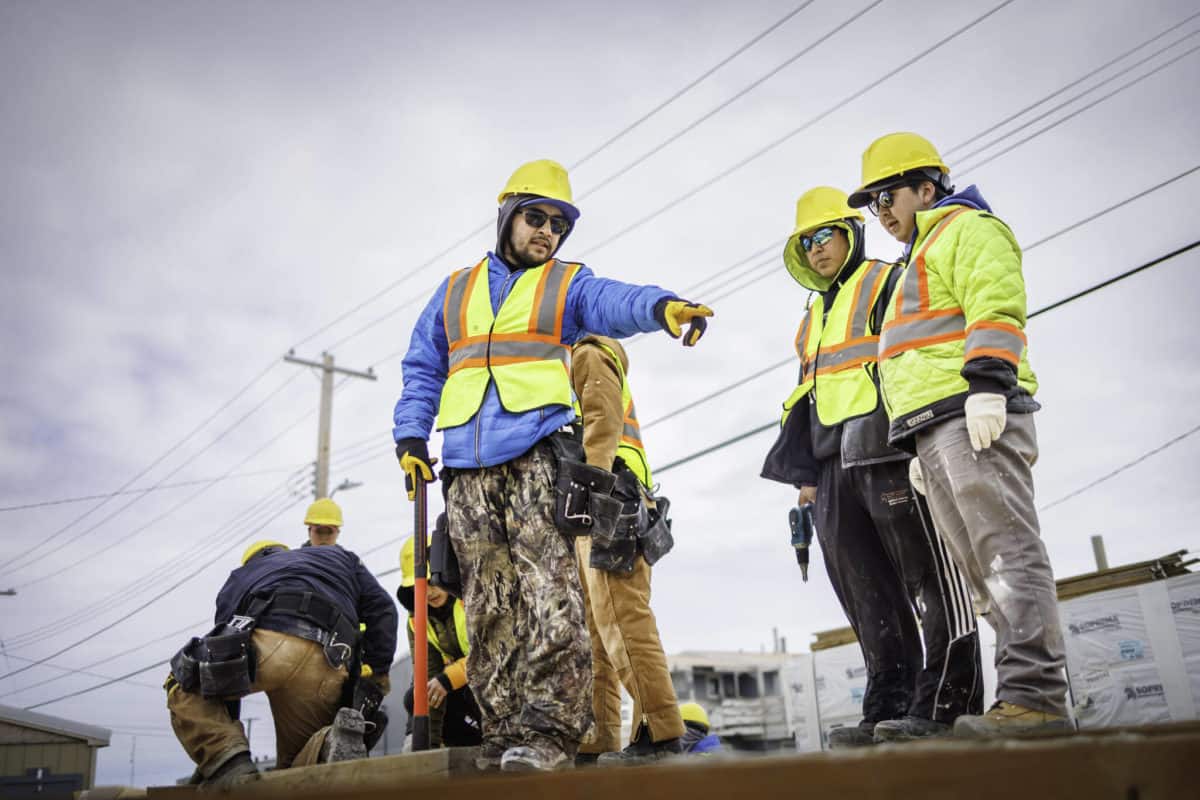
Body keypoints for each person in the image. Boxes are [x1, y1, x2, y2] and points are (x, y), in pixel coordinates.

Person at [391, 158, 713, 771]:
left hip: (537, 455)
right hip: (465, 467)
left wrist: (662, 307)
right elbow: (422, 365)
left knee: (551, 599)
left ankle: (548, 735)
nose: (548, 232)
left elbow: (615, 300)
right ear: (507, 215)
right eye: (536, 218)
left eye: (559, 224)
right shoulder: (455, 290)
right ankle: (501, 732)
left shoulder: (567, 283)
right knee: (488, 607)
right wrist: (410, 435)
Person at [847, 132, 1069, 736]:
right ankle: (1022, 699)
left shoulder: (966, 229)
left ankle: (1039, 699)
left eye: (888, 195)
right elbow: (909, 359)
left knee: (1007, 557)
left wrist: (989, 384)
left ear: (927, 186)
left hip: (974, 413)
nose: (882, 212)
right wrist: (912, 441)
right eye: (874, 204)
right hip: (936, 429)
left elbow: (995, 305)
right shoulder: (915, 256)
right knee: (979, 572)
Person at [761, 187, 983, 746]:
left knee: (930, 578)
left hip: (890, 447)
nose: (815, 249)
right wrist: (807, 480)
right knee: (865, 592)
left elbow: (920, 355)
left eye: (824, 236)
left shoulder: (889, 280)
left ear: (850, 233)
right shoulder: (811, 316)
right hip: (833, 462)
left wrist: (924, 441)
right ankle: (889, 703)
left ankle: (947, 702)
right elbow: (809, 392)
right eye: (805, 242)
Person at [165, 541, 397, 787]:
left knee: (181, 679)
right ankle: (328, 741)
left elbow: (223, 657)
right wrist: (375, 677)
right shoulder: (340, 556)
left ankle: (228, 761)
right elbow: (383, 610)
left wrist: (221, 754)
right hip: (331, 659)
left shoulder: (242, 576)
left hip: (272, 642)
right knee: (294, 769)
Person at [569, 335, 685, 765]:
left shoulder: (586, 354)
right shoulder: (572, 360)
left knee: (622, 619)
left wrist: (590, 489)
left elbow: (601, 422)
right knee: (597, 630)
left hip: (610, 498)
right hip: (605, 501)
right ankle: (601, 734)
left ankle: (659, 731)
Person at [397, 526, 481, 748]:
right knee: (416, 696)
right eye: (420, 587)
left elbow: (490, 656)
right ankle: (460, 751)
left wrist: (448, 678)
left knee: (471, 691)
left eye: (432, 582)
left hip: (492, 682)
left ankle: (498, 743)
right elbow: (426, 677)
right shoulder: (416, 620)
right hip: (461, 686)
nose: (430, 592)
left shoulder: (471, 598)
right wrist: (423, 744)